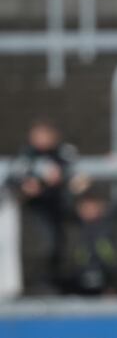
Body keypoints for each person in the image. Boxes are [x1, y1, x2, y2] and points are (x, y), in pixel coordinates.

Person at [5, 119, 90, 292]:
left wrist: (65, 178)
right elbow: (12, 179)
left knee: (68, 243)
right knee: (46, 245)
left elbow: (79, 174)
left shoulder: (64, 152)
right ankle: (40, 284)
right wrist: (26, 186)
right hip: (37, 210)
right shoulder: (26, 154)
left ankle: (66, 282)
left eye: (44, 136)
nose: (40, 140)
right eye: (37, 136)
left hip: (62, 206)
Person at [61, 190, 117, 297]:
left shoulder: (107, 225)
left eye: (92, 207)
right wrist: (74, 189)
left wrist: (111, 286)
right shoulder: (75, 226)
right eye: (85, 207)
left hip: (104, 280)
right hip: (78, 281)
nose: (89, 211)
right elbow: (64, 205)